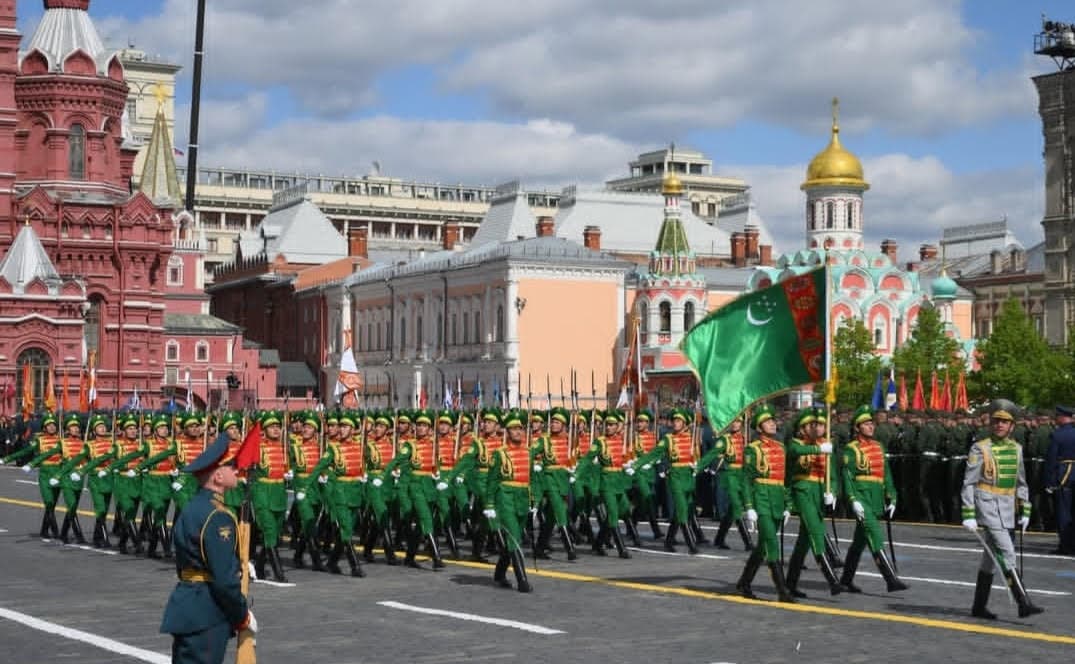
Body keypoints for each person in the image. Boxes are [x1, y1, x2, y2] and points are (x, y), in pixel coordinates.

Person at [160, 431, 256, 663]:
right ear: (218, 477)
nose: (236, 470)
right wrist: (242, 615)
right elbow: (223, 580)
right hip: (207, 613)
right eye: (231, 466)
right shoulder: (219, 516)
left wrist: (238, 563)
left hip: (188, 606)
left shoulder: (194, 507)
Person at [961, 400, 1042, 619]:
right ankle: (1023, 602)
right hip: (987, 505)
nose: (999, 425)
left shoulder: (1017, 449)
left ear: (1012, 426)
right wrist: (968, 513)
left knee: (989, 561)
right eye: (996, 421)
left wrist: (1025, 509)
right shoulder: (980, 447)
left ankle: (978, 607)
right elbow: (969, 482)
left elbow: (1021, 482)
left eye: (1004, 422)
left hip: (1007, 508)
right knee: (1007, 552)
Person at [838, 406, 907, 593]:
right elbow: (847, 476)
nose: (871, 427)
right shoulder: (851, 449)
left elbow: (886, 475)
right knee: (875, 534)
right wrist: (853, 499)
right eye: (866, 424)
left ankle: (845, 579)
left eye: (871, 423)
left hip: (876, 497)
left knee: (860, 541)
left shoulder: (878, 447)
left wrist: (892, 497)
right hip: (861, 497)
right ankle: (890, 579)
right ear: (857, 427)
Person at [735, 405, 795, 602]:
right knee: (771, 544)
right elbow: (745, 480)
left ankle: (744, 583)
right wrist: (749, 507)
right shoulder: (752, 449)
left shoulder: (780, 447)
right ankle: (783, 591)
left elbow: (784, 479)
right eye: (768, 421)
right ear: (759, 427)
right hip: (761, 500)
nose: (773, 423)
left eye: (773, 420)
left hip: (777, 500)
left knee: (762, 547)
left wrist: (788, 506)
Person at [1045, 405, 1075, 555]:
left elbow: (1051, 460)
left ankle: (1066, 545)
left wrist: (1049, 481)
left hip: (1064, 475)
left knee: (1063, 512)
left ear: (1063, 417)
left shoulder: (1058, 435)